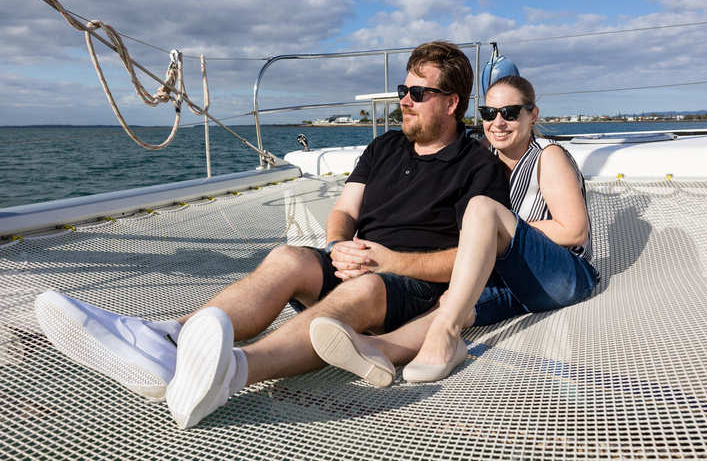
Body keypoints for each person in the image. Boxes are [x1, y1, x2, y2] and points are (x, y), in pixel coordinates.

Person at [35, 40, 510, 428]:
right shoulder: (385, 146)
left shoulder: (478, 167)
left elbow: (476, 255)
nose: (404, 99)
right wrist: (338, 245)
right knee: (287, 257)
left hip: (411, 291)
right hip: (357, 264)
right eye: (403, 88)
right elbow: (345, 208)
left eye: (418, 93)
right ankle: (167, 341)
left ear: (451, 103)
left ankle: (234, 371)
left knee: (365, 286)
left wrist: (388, 262)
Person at [308, 75, 599, 385]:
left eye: (510, 113)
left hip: (565, 274)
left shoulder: (547, 156)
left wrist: (491, 229)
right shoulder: (485, 156)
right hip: (516, 275)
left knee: (481, 210)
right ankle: (379, 348)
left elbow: (574, 231)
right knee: (453, 301)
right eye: (489, 113)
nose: (498, 122)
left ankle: (445, 336)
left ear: (533, 115)